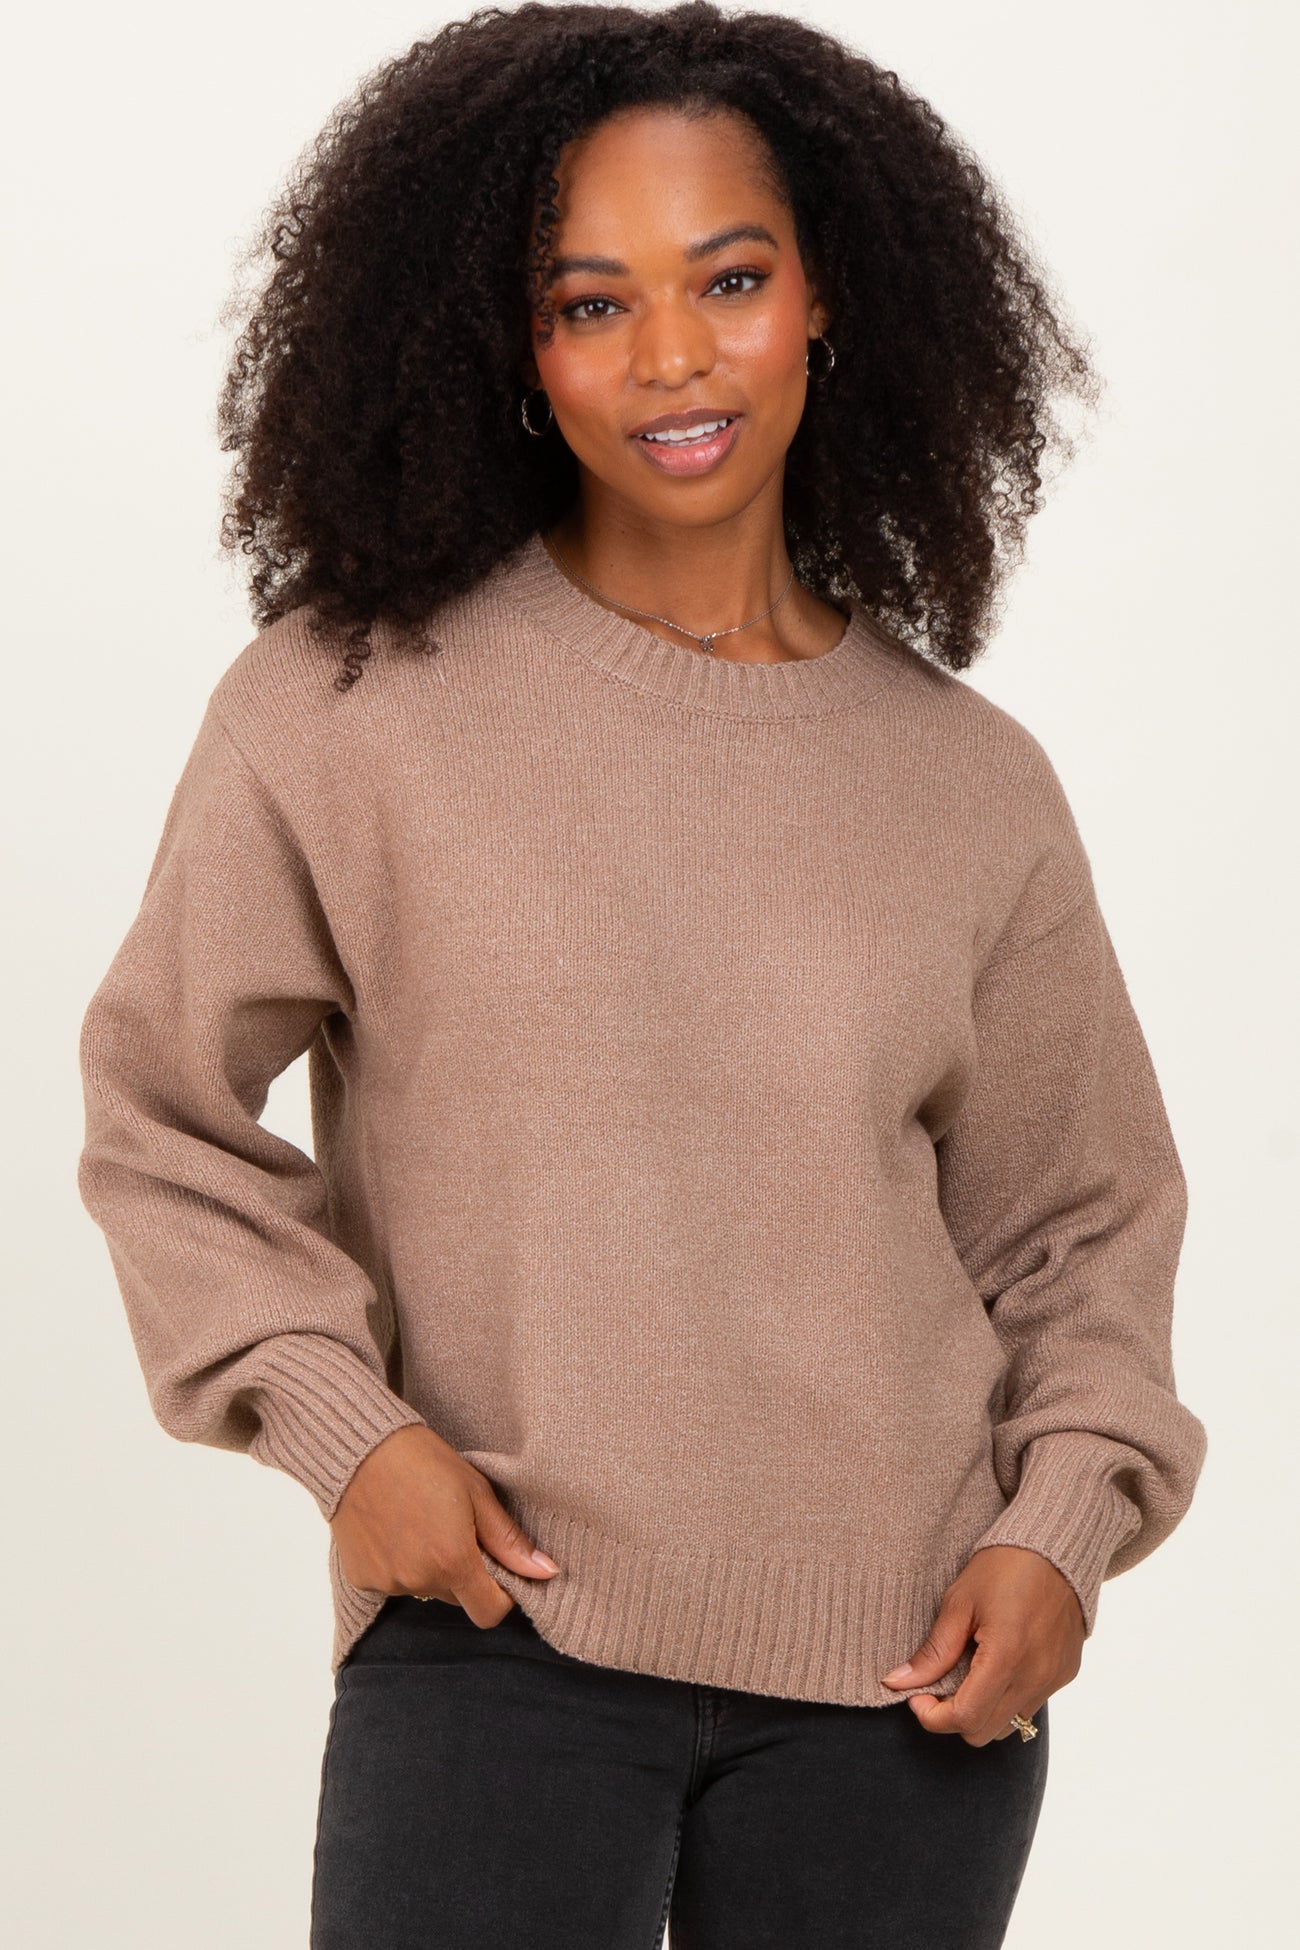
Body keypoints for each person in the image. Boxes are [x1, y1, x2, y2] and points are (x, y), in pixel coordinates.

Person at [75, 5, 1208, 1946]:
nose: (671, 356)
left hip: (904, 1690)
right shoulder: (342, 709)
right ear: (508, 346)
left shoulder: (967, 784)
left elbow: (1083, 1222)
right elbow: (160, 1114)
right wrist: (351, 1433)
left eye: (729, 280)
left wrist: (1059, 1531)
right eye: (590, 304)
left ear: (824, 297)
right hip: (491, 1635)